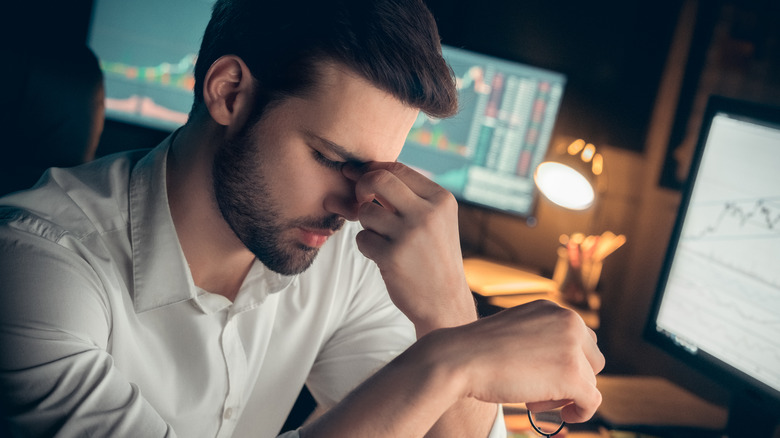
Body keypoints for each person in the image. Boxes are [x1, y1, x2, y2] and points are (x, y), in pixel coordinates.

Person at [0, 0, 605, 436]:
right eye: (333, 159)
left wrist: (447, 312)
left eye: (378, 169)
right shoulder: (34, 271)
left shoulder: (347, 254)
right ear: (230, 92)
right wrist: (450, 360)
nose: (355, 203)